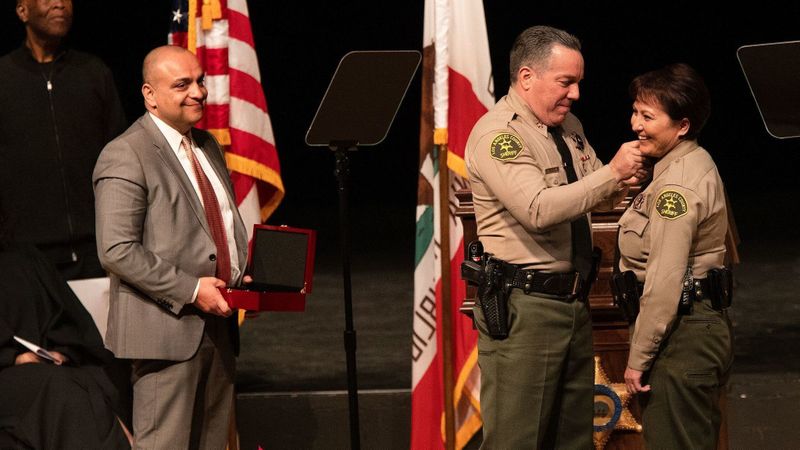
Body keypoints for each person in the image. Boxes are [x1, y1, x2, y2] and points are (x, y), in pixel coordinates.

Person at [465, 25, 647, 448]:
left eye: (578, 82)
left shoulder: (568, 127)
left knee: (574, 439)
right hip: (525, 310)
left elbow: (594, 191)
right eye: (566, 82)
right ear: (527, 77)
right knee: (518, 439)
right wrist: (613, 174)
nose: (576, 94)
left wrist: (629, 174)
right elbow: (539, 209)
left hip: (572, 304)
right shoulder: (500, 136)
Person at [93, 45, 248, 449]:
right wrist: (194, 290)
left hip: (219, 329)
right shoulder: (126, 153)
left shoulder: (207, 145)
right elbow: (117, 249)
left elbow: (218, 226)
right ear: (150, 95)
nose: (198, 92)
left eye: (200, 81)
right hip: (166, 334)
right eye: (182, 85)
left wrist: (241, 278)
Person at [619, 63, 732, 449]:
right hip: (689, 330)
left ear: (682, 125)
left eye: (648, 116)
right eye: (635, 111)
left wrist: (638, 357)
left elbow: (666, 280)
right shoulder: (679, 168)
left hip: (680, 336)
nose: (636, 123)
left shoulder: (676, 187)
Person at [0, 0, 127, 280]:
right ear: (22, 11)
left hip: (97, 252)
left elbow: (122, 159)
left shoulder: (94, 72)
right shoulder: (4, 77)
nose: (60, 4)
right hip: (26, 260)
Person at [0, 202, 130, 449]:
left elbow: (67, 319)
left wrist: (62, 351)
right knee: (61, 389)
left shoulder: (23, 257)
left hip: (47, 370)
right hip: (11, 379)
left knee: (95, 378)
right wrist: (12, 358)